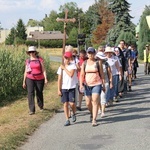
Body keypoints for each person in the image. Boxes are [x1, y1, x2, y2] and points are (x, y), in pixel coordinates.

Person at [80, 47, 105, 126]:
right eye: (89, 53)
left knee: (95, 101)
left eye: (92, 53)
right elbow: (82, 75)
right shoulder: (84, 63)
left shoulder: (98, 62)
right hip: (87, 85)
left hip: (97, 84)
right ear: (87, 54)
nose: (90, 55)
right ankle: (91, 113)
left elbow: (102, 74)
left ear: (94, 54)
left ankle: (94, 119)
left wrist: (103, 84)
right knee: (88, 103)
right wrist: (81, 84)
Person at [22, 46, 48, 115]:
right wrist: (24, 81)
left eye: (33, 52)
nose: (32, 53)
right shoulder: (28, 61)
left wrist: (45, 78)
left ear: (35, 52)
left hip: (39, 78)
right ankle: (32, 110)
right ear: (29, 53)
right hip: (30, 78)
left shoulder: (40, 60)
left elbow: (43, 70)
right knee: (30, 93)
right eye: (30, 52)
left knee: (39, 92)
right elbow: (26, 71)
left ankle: (41, 106)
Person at [57, 51, 77, 126]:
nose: (66, 60)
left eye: (67, 58)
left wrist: (64, 68)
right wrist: (59, 89)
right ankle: (67, 119)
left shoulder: (73, 66)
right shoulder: (60, 68)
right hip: (64, 87)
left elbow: (71, 75)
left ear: (70, 59)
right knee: (65, 104)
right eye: (65, 58)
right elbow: (59, 79)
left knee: (72, 103)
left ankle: (74, 113)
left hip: (71, 87)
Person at [96, 51, 112, 117]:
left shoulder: (106, 64)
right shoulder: (95, 64)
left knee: (103, 97)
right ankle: (99, 108)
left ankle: (103, 111)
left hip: (105, 82)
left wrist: (111, 82)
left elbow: (110, 73)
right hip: (96, 83)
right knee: (98, 97)